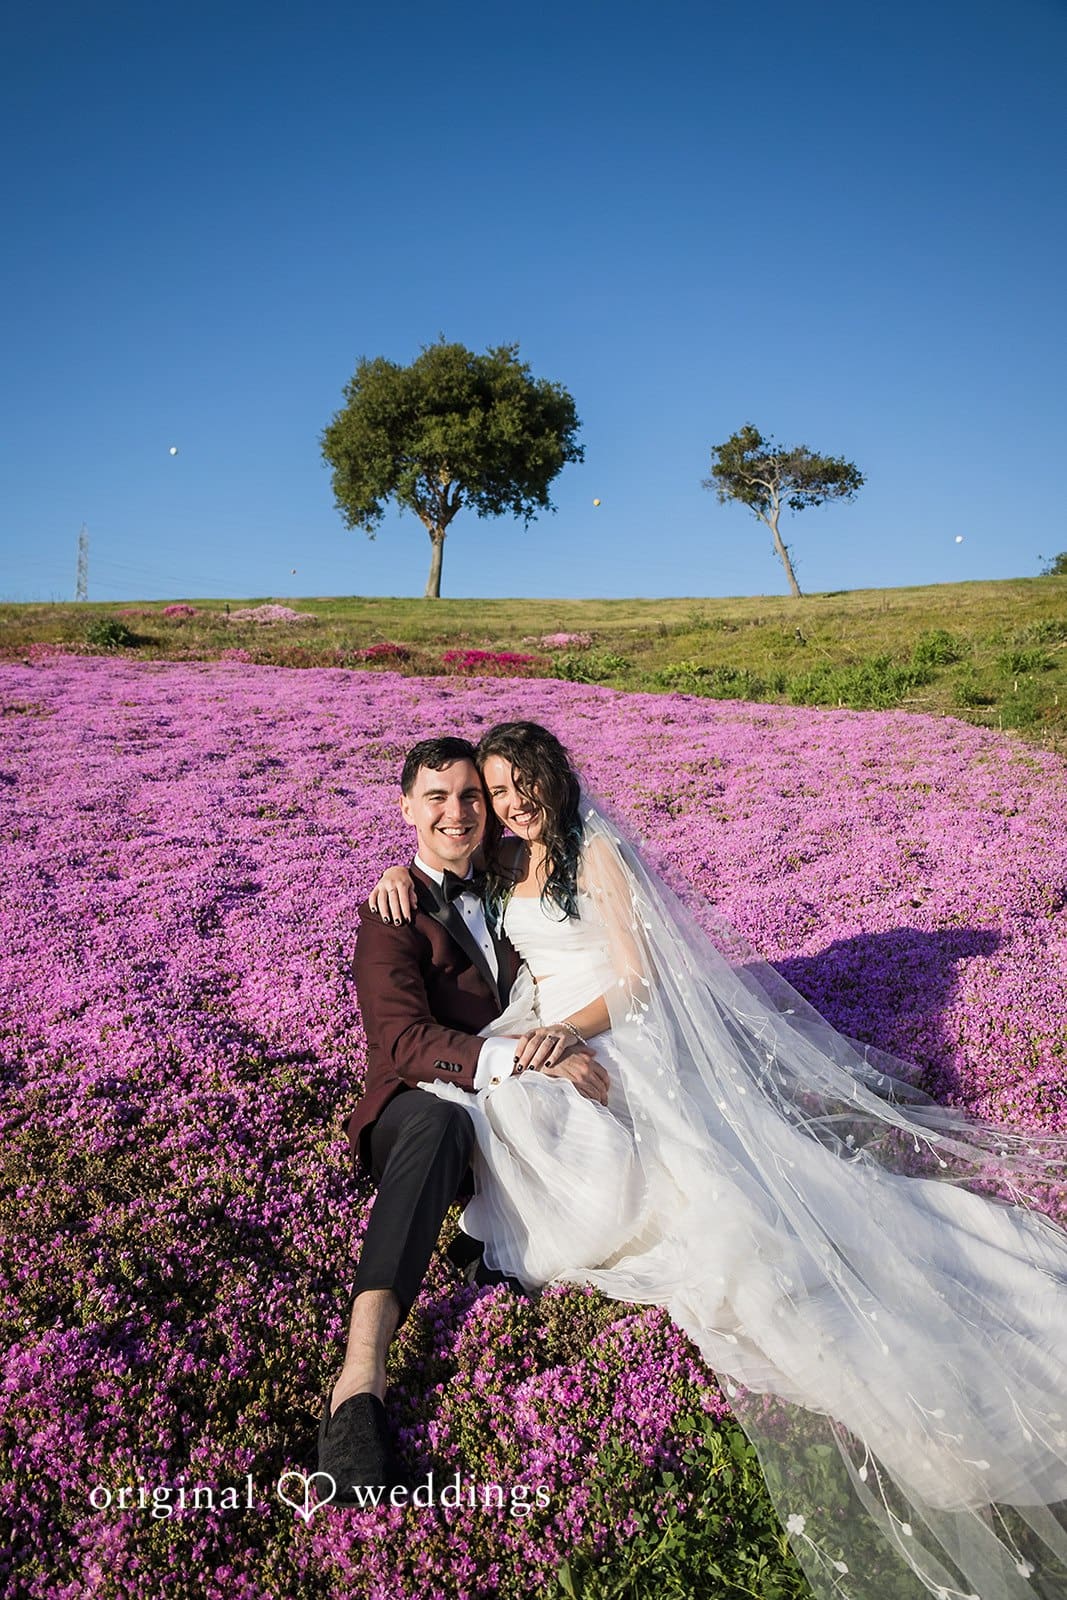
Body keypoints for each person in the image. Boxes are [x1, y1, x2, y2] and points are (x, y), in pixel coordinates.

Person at [369, 720, 1067, 1600]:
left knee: (578, 1130)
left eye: (515, 786)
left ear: (551, 776)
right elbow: (453, 886)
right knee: (500, 1099)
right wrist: (399, 869)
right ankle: (547, 1212)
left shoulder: (598, 856)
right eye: (494, 792)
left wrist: (563, 1033)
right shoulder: (508, 863)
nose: (507, 805)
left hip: (616, 1031)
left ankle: (583, 1222)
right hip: (540, 1031)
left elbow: (634, 982)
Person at [318, 735, 604, 1503]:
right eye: (436, 798)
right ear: (406, 808)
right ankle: (359, 1381)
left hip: (514, 1082)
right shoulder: (390, 915)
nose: (457, 812)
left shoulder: (513, 868)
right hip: (418, 1099)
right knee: (444, 1129)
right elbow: (405, 1042)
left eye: (470, 796)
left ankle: (499, 1246)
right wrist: (526, 1056)